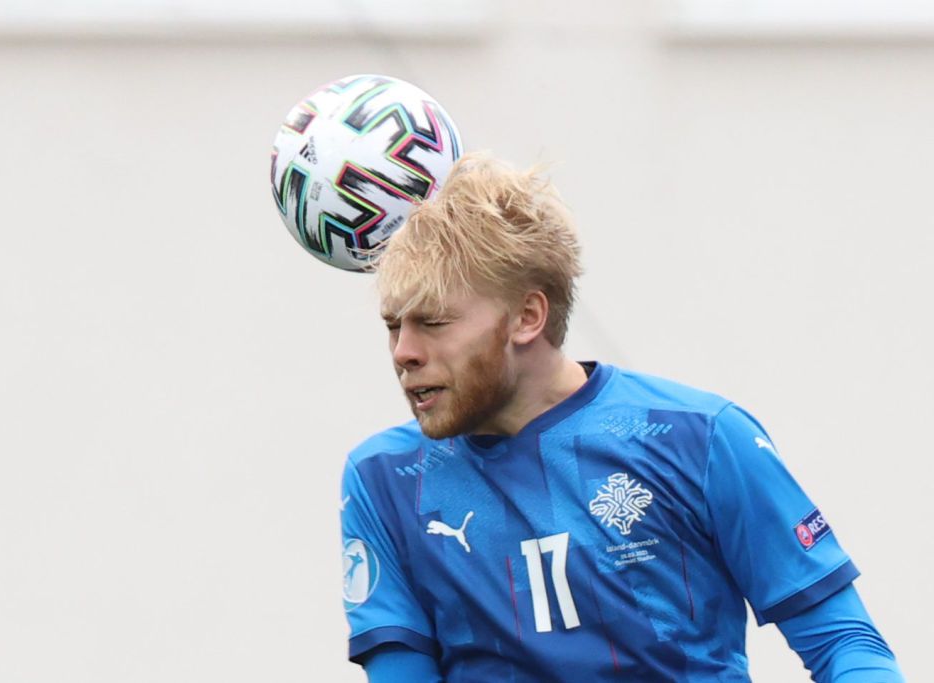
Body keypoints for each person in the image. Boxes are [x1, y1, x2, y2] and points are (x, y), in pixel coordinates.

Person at [339, 153, 903, 682]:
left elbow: (845, 644)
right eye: (394, 325)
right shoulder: (385, 479)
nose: (403, 352)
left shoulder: (700, 437)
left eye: (433, 324)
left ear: (527, 317)